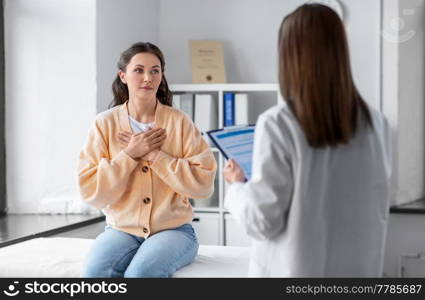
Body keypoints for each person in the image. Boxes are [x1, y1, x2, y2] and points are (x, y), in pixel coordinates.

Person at [223, 4, 392, 277]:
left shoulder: (279, 123)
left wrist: (236, 187)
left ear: (289, 56)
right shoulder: (376, 124)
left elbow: (263, 221)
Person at [77, 42, 217, 278]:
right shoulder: (104, 124)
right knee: (95, 271)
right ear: (123, 76)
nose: (147, 77)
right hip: (121, 229)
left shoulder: (180, 122)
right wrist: (130, 154)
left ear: (161, 76)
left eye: (155, 70)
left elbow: (204, 184)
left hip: (174, 231)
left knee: (141, 274)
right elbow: (91, 191)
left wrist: (154, 155)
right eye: (139, 70)